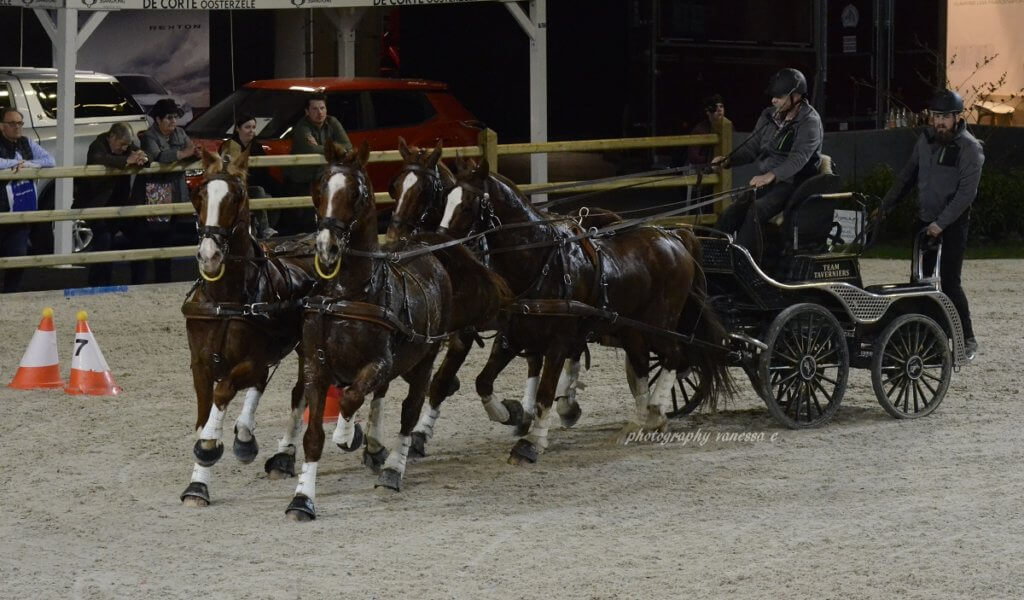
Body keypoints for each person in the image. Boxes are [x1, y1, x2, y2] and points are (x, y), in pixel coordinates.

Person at [877, 88, 982, 361]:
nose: (939, 122)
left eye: (944, 117)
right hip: (924, 221)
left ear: (957, 117)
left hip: (952, 225)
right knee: (918, 283)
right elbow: (907, 177)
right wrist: (884, 207)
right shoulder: (925, 141)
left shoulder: (970, 148)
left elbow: (966, 195)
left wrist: (941, 224)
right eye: (935, 116)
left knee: (949, 282)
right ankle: (926, 337)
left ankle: (967, 338)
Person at [712, 68, 823, 257]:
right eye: (773, 96)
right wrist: (729, 160)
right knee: (731, 213)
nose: (773, 100)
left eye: (779, 97)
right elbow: (752, 147)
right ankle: (713, 257)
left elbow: (799, 158)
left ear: (796, 96)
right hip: (770, 182)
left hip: (793, 182)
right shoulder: (769, 116)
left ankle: (742, 260)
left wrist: (771, 175)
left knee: (756, 211)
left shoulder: (810, 121)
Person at [134, 98, 200, 284]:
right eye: (169, 117)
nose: (174, 121)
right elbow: (159, 156)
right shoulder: (148, 136)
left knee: (169, 239)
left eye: (175, 117)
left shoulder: (180, 132)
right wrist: (183, 154)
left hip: (177, 192)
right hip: (155, 194)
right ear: (158, 119)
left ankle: (164, 281)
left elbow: (190, 149)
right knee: (156, 240)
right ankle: (147, 282)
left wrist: (194, 154)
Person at [74, 123, 149, 287]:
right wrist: (126, 160)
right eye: (122, 144)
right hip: (97, 206)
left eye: (127, 145)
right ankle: (98, 285)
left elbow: (145, 158)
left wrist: (142, 157)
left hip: (120, 206)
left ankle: (140, 284)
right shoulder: (97, 145)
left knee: (140, 236)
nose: (125, 148)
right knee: (104, 241)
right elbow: (98, 159)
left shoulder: (127, 146)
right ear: (112, 137)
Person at [0, 107, 55, 293]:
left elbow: (50, 161)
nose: (17, 127)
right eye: (12, 123)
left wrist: (29, 165)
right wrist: (16, 164)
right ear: (1, 126)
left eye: (20, 123)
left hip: (21, 212)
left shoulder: (27, 142)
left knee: (19, 256)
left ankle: (10, 295)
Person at [281, 93, 351, 234]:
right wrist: (335, 148)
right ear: (307, 112)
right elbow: (311, 149)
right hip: (302, 182)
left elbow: (348, 146)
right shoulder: (302, 126)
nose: (320, 113)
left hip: (323, 178)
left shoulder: (332, 122)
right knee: (307, 223)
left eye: (322, 108)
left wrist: (323, 147)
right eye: (315, 109)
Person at [219, 114, 276, 238]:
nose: (251, 130)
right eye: (247, 127)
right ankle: (265, 229)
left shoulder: (256, 146)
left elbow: (264, 171)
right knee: (260, 192)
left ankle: (265, 232)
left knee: (276, 194)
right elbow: (230, 173)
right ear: (237, 129)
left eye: (253, 127)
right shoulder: (228, 146)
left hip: (251, 185)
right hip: (233, 188)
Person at [686, 93, 725, 210]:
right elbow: (693, 157)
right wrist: (711, 162)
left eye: (721, 106)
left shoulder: (729, 127)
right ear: (708, 111)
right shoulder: (699, 130)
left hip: (725, 169)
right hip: (704, 170)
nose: (719, 110)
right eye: (715, 107)